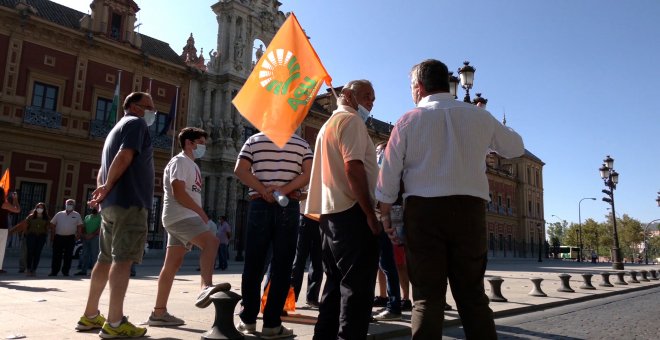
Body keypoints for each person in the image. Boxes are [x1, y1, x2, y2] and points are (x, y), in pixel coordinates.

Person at [376, 59, 524, 339]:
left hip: (423, 214)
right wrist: (486, 120)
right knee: (472, 296)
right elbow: (515, 147)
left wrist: (385, 214)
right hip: (469, 212)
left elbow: (389, 174)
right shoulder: (479, 117)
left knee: (426, 299)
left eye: (411, 87)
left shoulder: (407, 121)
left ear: (419, 87)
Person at [76, 91, 155, 338]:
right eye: (148, 106)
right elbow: (125, 155)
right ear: (134, 106)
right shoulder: (136, 123)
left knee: (105, 258)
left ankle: (90, 316)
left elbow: (102, 169)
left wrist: (103, 192)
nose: (153, 112)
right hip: (129, 202)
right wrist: (108, 187)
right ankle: (115, 322)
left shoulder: (115, 130)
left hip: (111, 204)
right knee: (123, 259)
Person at [306, 79, 380, 339]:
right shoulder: (351, 122)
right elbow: (353, 167)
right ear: (348, 95)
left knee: (334, 288)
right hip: (352, 213)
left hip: (330, 216)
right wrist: (370, 213)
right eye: (367, 95)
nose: (371, 102)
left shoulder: (327, 125)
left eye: (373, 98)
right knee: (357, 292)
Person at [234, 131, 312, 338]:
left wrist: (263, 189)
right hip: (288, 206)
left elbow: (240, 170)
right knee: (282, 266)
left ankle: (248, 320)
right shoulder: (302, 144)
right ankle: (272, 323)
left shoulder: (253, 140)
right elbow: (308, 173)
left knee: (254, 264)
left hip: (259, 203)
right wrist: (284, 190)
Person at [148, 127, 224, 327]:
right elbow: (179, 192)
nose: (203, 148)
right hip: (182, 216)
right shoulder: (180, 161)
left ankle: (159, 312)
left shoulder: (192, 165)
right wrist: (201, 213)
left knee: (172, 264)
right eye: (201, 143)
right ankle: (205, 286)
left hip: (178, 217)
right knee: (212, 242)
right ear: (189, 143)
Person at [372, 141, 402, 321]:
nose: (378, 155)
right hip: (379, 217)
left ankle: (394, 305)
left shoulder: (386, 166)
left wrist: (383, 217)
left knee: (387, 264)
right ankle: (393, 303)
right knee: (385, 264)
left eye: (380, 152)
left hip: (380, 218)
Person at [290, 196, 323, 308]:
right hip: (305, 217)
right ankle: (291, 298)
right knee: (299, 261)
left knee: (318, 262)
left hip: (322, 221)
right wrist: (311, 192)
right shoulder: (308, 178)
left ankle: (312, 298)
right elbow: (298, 195)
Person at [48, 199, 83, 277]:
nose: (69, 205)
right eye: (68, 203)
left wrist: (78, 235)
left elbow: (80, 226)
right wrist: (52, 236)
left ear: (73, 205)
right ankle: (54, 271)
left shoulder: (77, 215)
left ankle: (65, 271)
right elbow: (52, 224)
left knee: (68, 256)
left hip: (70, 238)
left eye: (71, 204)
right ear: (65, 204)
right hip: (58, 237)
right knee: (56, 255)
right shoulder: (59, 214)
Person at [75, 208, 102, 276]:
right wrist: (84, 234)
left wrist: (92, 235)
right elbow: (83, 226)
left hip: (95, 238)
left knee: (94, 255)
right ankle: (83, 271)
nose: (93, 209)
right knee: (84, 255)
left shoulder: (101, 217)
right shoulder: (87, 217)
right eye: (92, 208)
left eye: (95, 208)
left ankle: (94, 272)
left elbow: (100, 228)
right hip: (85, 238)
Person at [0, 188, 21, 273]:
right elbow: (17, 210)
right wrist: (15, 200)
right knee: (1, 249)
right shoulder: (4, 204)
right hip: (1, 228)